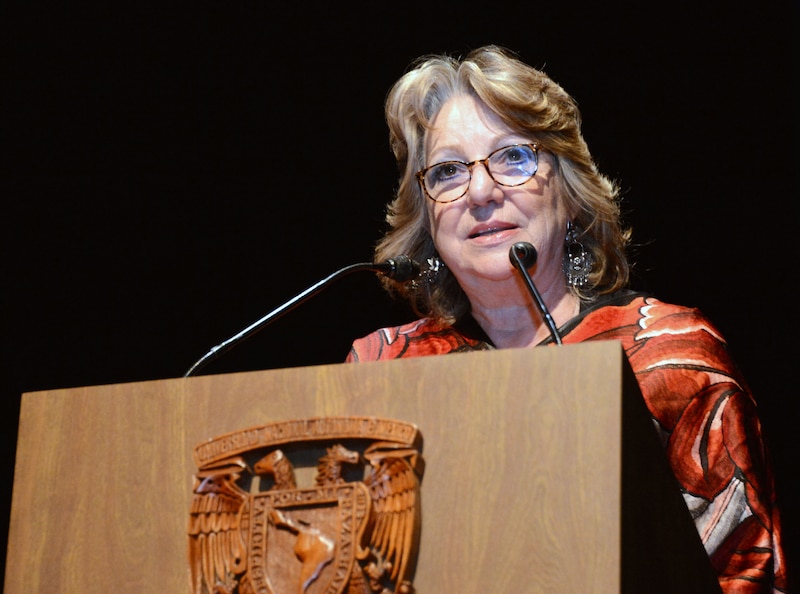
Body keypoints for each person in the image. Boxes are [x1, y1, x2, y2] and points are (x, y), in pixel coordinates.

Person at [345, 45, 787, 593]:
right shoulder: (382, 368)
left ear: (569, 191)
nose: (480, 192)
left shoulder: (672, 358)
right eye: (448, 171)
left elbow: (749, 571)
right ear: (427, 217)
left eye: (512, 158)